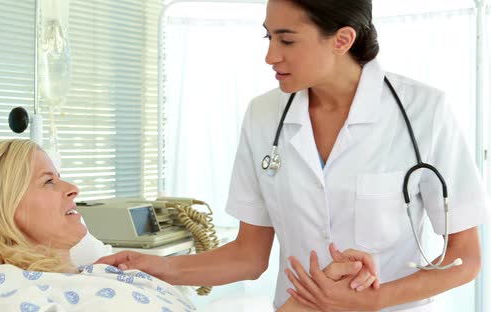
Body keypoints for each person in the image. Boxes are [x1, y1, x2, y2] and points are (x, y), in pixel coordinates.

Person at [97, 0, 489, 311]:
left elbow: (464, 258)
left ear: (341, 39)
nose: (270, 56)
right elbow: (249, 256)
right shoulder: (264, 115)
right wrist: (160, 268)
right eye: (267, 38)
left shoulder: (423, 111)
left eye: (286, 40)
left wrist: (373, 300)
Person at [0, 139, 196, 311]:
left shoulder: (107, 272)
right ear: (4, 205)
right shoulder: (5, 288)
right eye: (48, 181)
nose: (73, 189)